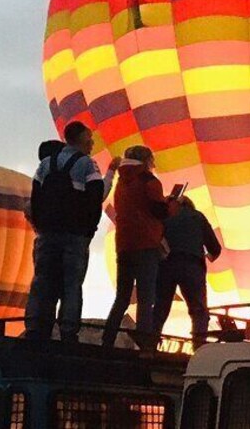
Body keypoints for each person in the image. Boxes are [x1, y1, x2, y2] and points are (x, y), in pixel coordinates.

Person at [24, 121, 107, 343]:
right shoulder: (87, 165)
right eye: (89, 138)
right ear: (81, 138)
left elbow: (35, 197)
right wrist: (88, 230)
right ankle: (68, 331)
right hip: (74, 235)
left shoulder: (45, 165)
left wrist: (41, 226)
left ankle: (36, 328)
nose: (92, 142)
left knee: (42, 281)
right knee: (71, 284)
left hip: (47, 234)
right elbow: (95, 198)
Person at [102, 146, 176, 350]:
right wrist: (171, 205)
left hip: (124, 244)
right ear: (147, 160)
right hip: (146, 243)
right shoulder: (150, 181)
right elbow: (159, 211)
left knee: (122, 297)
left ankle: (107, 339)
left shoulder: (120, 182)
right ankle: (144, 343)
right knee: (146, 297)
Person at [151, 196, 222, 349]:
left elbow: (154, 241)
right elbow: (215, 248)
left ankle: (150, 345)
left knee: (160, 308)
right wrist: (209, 256)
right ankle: (199, 348)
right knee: (199, 311)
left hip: (166, 265)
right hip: (192, 265)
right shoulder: (197, 217)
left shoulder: (164, 217)